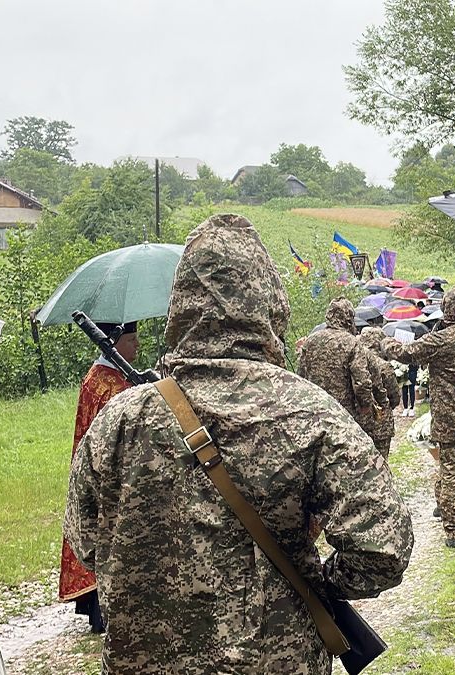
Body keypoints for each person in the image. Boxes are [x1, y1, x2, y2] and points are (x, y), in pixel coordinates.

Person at [64, 214, 414, 674]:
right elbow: (381, 551)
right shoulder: (309, 411)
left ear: (181, 305)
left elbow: (87, 542)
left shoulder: (119, 419)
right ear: (270, 304)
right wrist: (313, 581)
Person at [383, 288, 455, 548]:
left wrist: (384, 342)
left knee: (449, 474)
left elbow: (404, 353)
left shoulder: (440, 340)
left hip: (447, 420)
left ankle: (452, 531)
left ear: (447, 310)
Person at [58, 321, 138, 634]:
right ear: (115, 342)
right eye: (131, 340)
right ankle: (101, 611)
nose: (136, 347)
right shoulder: (105, 383)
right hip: (107, 475)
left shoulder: (113, 377)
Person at [298, 297, 376, 426]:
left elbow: (301, 375)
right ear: (349, 318)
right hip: (343, 412)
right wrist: (365, 405)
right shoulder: (351, 342)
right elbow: (361, 380)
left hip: (315, 409)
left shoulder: (311, 340)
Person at [357, 327, 400, 457]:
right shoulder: (384, 366)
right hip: (381, 423)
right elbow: (394, 396)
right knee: (382, 462)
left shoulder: (354, 363)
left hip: (359, 421)